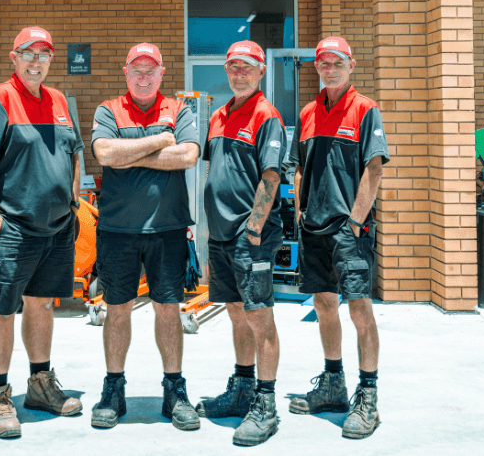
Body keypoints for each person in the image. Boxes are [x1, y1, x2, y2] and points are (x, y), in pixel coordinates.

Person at [0, 26, 84, 439]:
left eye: (43, 54)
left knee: (42, 306)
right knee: (1, 309)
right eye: (28, 53)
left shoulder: (57, 101)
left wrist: (72, 202)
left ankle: (40, 385)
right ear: (13, 58)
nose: (36, 61)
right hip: (13, 226)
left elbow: (73, 152)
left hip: (55, 228)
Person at [89, 43, 201, 430]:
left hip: (168, 229)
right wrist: (158, 141)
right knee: (117, 309)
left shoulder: (179, 110)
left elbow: (187, 156)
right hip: (117, 231)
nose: (143, 77)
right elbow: (104, 153)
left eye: (150, 70)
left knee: (168, 309)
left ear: (161, 73)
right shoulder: (109, 110)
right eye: (136, 70)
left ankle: (175, 391)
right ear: (126, 72)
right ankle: (113, 390)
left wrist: (128, 154)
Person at [285, 36, 388, 440]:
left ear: (351, 65)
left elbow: (374, 169)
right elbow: (297, 167)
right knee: (324, 303)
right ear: (317, 68)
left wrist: (355, 223)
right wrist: (299, 212)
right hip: (314, 229)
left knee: (359, 309)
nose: (330, 68)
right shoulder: (309, 112)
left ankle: (368, 395)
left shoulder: (365, 110)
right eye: (323, 63)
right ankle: (333, 384)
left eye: (337, 62)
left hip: (349, 230)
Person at [194, 40, 286, 446]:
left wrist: (252, 231)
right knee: (235, 312)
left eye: (248, 67)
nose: (240, 73)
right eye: (233, 66)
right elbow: (218, 174)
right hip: (221, 236)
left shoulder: (268, 116)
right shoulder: (217, 116)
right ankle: (243, 387)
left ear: (261, 71)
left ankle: (265, 402)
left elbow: (270, 178)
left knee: (259, 316)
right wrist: (212, 233)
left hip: (252, 237)